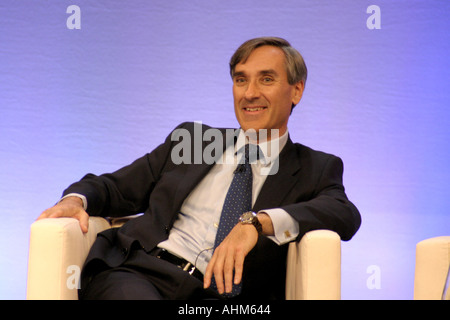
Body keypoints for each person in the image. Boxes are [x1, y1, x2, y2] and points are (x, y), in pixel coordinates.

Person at [38, 37, 361, 300]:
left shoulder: (315, 167)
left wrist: (255, 224)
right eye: (240, 80)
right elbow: (115, 187)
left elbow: (343, 212)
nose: (250, 93)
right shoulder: (193, 141)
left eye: (266, 79)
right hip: (141, 275)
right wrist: (75, 200)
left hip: (224, 297)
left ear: (297, 90)